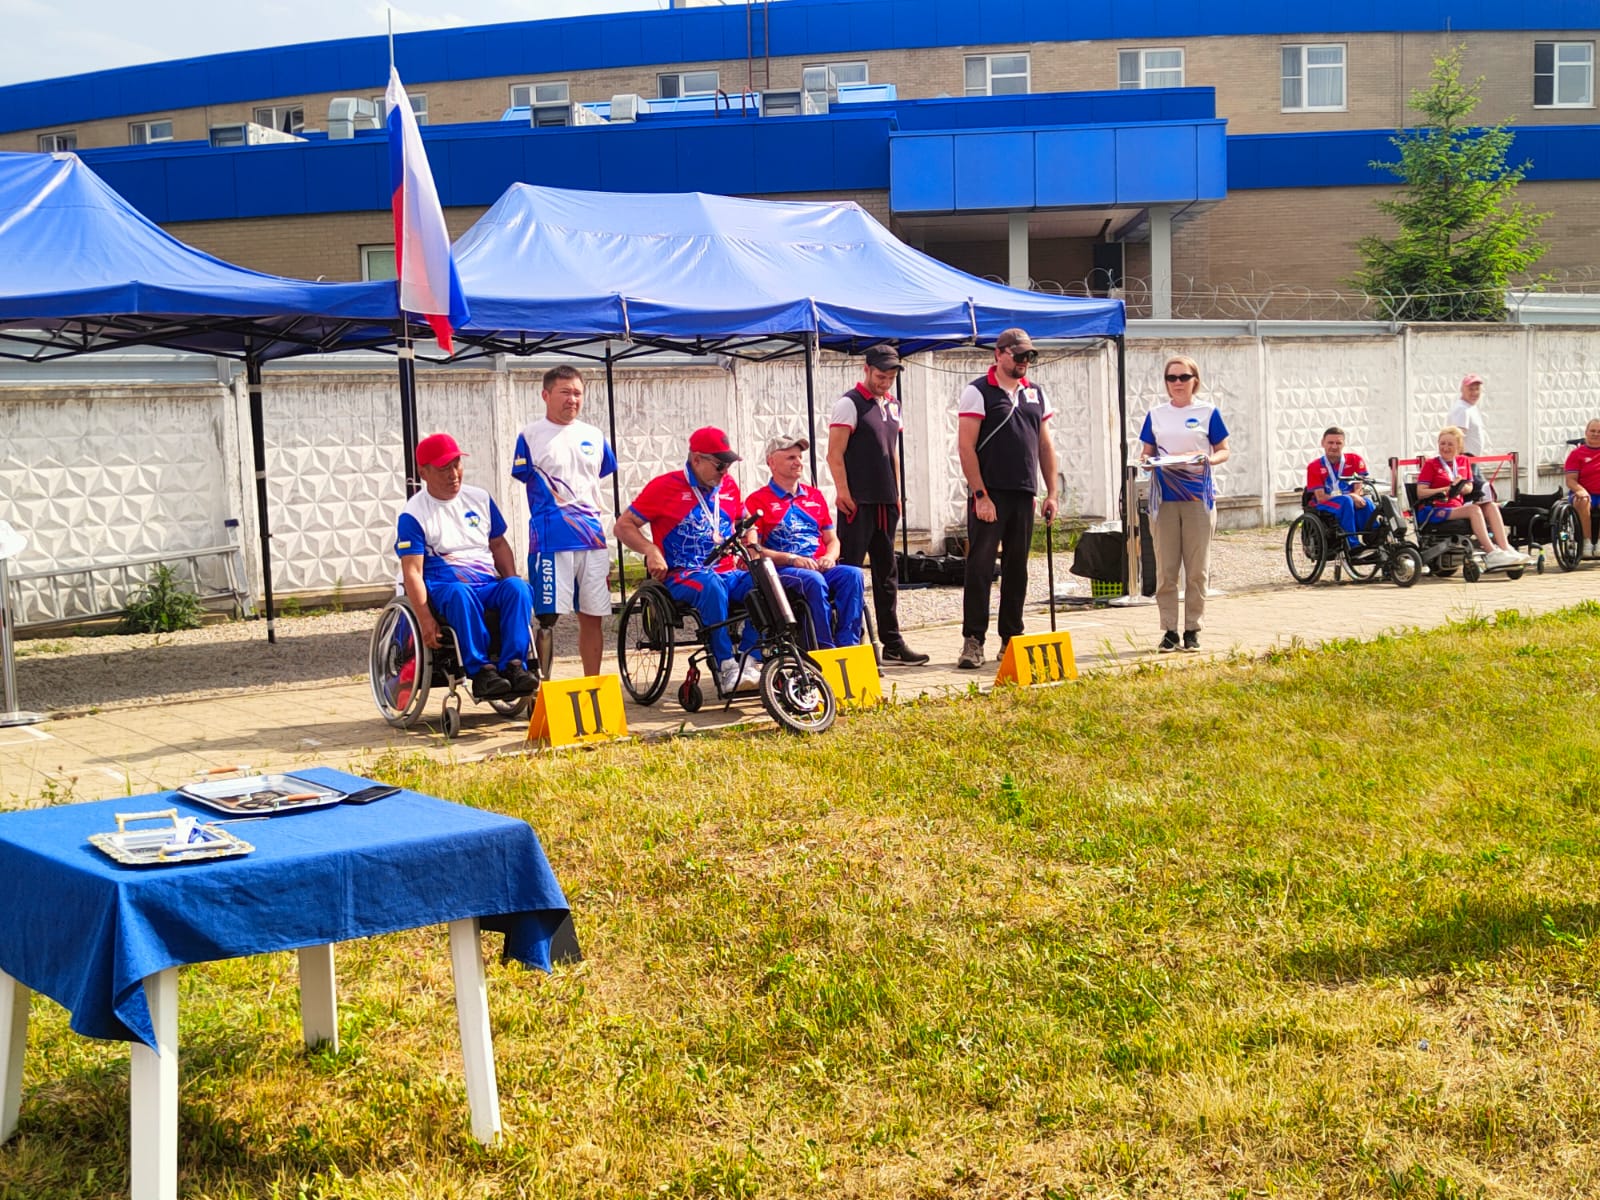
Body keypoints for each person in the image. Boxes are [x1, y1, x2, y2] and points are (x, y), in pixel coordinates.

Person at [614, 427, 761, 695]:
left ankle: (750, 660)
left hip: (727, 570)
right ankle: (726, 665)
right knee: (710, 584)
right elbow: (623, 525)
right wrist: (650, 550)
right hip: (684, 573)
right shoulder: (664, 487)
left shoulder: (728, 485)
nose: (725, 471)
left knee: (765, 579)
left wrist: (751, 546)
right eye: (719, 465)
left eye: (728, 465)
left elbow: (747, 521)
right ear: (696, 459)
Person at [395, 432, 538, 701]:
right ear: (424, 473)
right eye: (443, 468)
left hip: (486, 583)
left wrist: (512, 580)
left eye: (456, 464)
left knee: (518, 588)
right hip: (445, 586)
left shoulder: (480, 498)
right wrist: (425, 619)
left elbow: (498, 545)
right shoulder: (413, 514)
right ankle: (481, 671)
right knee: (460, 593)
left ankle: (514, 665)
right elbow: (412, 571)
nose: (453, 474)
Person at [954, 327, 1059, 669]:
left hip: (1023, 491)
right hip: (991, 491)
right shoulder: (978, 391)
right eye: (1018, 355)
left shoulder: (1035, 394)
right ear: (999, 354)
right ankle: (973, 639)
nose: (1024, 361)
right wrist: (980, 494)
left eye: (1030, 356)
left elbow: (1044, 445)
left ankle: (1011, 636)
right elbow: (966, 447)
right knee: (981, 566)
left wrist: (1052, 492)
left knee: (1017, 567)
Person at [826, 343, 929, 665]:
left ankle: (892, 642)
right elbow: (834, 454)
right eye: (880, 376)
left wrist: (897, 492)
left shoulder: (893, 405)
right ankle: (850, 640)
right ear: (867, 370)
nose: (885, 382)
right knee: (850, 572)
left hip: (886, 501)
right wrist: (843, 491)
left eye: (890, 377)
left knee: (887, 574)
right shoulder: (849, 403)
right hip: (858, 502)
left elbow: (892, 451)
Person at [511, 364, 616, 677]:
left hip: (592, 539)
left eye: (578, 393)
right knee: (547, 619)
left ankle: (592, 683)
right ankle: (542, 687)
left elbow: (599, 475)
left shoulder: (594, 436)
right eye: (565, 392)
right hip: (550, 541)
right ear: (546, 395)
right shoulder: (530, 436)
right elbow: (524, 476)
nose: (573, 399)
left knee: (593, 616)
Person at [1138, 355, 1230, 653]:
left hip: (1197, 498)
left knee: (1197, 569)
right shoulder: (1156, 414)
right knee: (1166, 569)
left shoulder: (1208, 412)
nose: (1177, 383)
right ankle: (1169, 630)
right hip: (1164, 498)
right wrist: (1146, 461)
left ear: (1195, 380)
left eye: (1183, 377)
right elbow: (1146, 452)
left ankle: (1192, 629)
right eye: (1171, 378)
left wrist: (1207, 460)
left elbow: (1223, 450)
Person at [745, 434, 865, 650]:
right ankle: (823, 648)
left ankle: (849, 646)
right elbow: (755, 550)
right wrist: (792, 559)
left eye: (800, 457)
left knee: (853, 574)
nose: (798, 462)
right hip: (783, 569)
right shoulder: (757, 500)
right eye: (791, 457)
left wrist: (829, 557)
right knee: (813, 581)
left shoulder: (814, 496)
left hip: (818, 564)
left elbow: (832, 540)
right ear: (771, 462)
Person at [1415, 425, 1526, 569]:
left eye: (1450, 444)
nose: (1445, 448)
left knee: (1490, 506)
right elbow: (1421, 492)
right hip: (1434, 509)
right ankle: (1491, 552)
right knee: (1473, 510)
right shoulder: (1431, 464)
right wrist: (1445, 489)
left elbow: (1469, 488)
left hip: (1456, 506)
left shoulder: (1463, 461)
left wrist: (1460, 486)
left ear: (1458, 447)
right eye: (1442, 443)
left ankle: (1505, 548)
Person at [1306, 426, 1376, 549]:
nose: (1334, 446)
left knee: (1367, 503)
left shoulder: (1355, 460)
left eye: (1338, 443)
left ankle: (1375, 540)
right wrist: (1351, 496)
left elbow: (1359, 487)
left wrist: (1356, 496)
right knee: (1346, 501)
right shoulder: (1314, 466)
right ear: (1323, 443)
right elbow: (1321, 497)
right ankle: (1352, 545)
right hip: (1325, 503)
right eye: (1330, 442)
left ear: (1344, 444)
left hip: (1348, 500)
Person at [1446, 373, 1501, 501]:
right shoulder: (1462, 409)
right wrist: (1460, 462)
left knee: (1482, 494)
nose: (1474, 393)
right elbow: (1457, 437)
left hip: (1472, 460)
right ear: (1462, 389)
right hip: (1466, 460)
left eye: (1477, 389)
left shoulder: (1469, 408)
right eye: (1471, 389)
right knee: (1481, 493)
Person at [1562, 418, 1600, 559]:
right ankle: (1586, 542)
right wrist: (1580, 490)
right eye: (1593, 431)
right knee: (1582, 500)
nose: (1596, 434)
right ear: (1586, 432)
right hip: (1583, 493)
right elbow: (1570, 480)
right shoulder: (1576, 454)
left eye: (1599, 432)